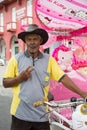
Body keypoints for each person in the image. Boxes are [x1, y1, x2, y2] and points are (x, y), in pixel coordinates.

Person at [3, 24, 87, 130]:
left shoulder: (49, 60)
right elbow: (5, 83)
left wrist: (81, 92)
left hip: (42, 116)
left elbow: (63, 77)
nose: (32, 42)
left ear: (40, 41)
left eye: (35, 39)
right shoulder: (16, 59)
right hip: (20, 115)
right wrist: (19, 78)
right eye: (29, 39)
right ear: (25, 41)